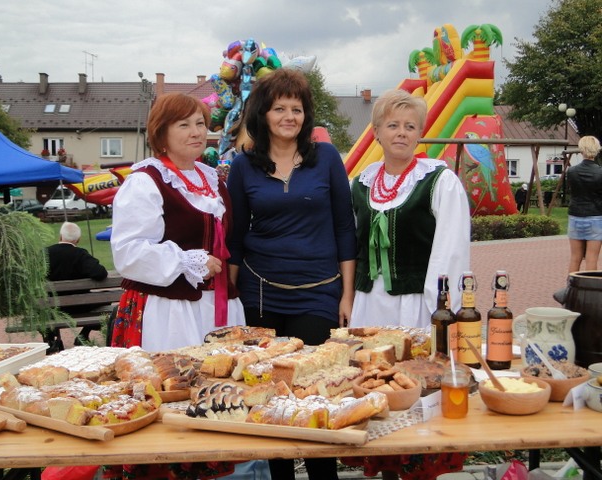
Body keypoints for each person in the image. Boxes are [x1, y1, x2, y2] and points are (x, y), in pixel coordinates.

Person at [106, 92, 247, 480]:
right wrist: (187, 260)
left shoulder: (212, 179)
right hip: (166, 310)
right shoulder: (145, 181)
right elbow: (128, 252)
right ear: (161, 134)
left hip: (215, 310)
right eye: (183, 125)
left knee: (215, 404)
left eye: (200, 123)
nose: (196, 132)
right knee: (171, 402)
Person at [227, 68, 357, 480]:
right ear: (263, 114)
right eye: (279, 108)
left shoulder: (327, 158)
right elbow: (235, 233)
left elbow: (344, 227)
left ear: (306, 115)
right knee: (269, 396)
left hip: (318, 293)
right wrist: (231, 293)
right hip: (261, 294)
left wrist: (347, 295)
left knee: (314, 393)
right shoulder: (243, 166)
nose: (289, 116)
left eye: (296, 109)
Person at [342, 89, 471, 480]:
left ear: (420, 133)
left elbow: (450, 252)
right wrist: (347, 297)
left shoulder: (439, 181)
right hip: (369, 305)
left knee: (415, 390)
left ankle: (418, 470)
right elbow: (350, 245)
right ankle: (384, 469)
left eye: (410, 126)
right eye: (393, 125)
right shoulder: (360, 184)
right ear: (377, 132)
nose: (401, 133)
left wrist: (439, 312)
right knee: (374, 387)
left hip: (417, 304)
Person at [46, 221, 108, 347]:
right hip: (80, 306)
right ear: (78, 240)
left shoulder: (45, 253)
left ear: (60, 236)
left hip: (52, 307)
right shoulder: (80, 255)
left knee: (43, 304)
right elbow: (100, 273)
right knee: (106, 296)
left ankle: (51, 340)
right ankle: (84, 334)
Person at [566, 135, 602, 273]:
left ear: (581, 150)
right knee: (592, 258)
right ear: (597, 150)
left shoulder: (572, 171)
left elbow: (572, 190)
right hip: (595, 217)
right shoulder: (600, 172)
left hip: (575, 215)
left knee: (575, 257)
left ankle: (571, 285)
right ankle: (589, 285)